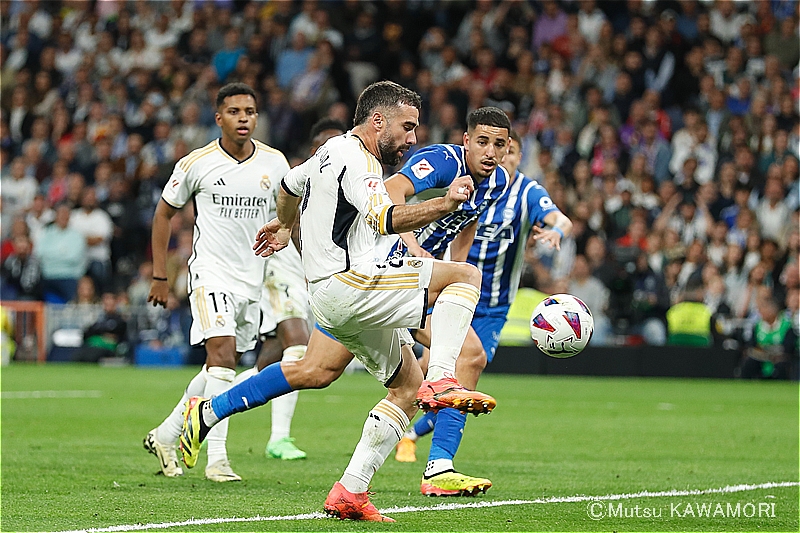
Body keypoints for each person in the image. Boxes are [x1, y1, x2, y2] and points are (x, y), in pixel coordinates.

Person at [180, 81, 496, 522]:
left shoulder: (328, 152)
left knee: (400, 387)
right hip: (352, 284)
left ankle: (350, 491)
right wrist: (443, 204)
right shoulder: (357, 158)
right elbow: (385, 217)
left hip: (334, 295)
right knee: (463, 277)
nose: (412, 139)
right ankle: (442, 379)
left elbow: (289, 187)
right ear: (378, 120)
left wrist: (287, 227)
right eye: (407, 128)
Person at [394, 130, 573, 497]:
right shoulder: (464, 177)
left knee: (445, 373)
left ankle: (419, 448)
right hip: (440, 287)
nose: (498, 157)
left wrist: (555, 232)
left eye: (505, 150)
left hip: (489, 306)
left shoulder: (523, 191)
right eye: (487, 147)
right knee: (321, 369)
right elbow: (402, 197)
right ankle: (432, 460)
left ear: (515, 154)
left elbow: (560, 219)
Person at [143, 82, 291, 483]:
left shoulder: (276, 164)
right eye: (235, 111)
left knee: (218, 369)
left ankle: (166, 434)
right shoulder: (197, 163)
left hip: (253, 280)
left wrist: (287, 232)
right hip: (211, 273)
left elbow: (292, 211)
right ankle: (217, 459)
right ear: (218, 117)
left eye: (250, 112)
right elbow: (162, 215)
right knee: (223, 358)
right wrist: (160, 275)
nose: (244, 118)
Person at [236, 118, 347, 461]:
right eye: (329, 146)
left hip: (311, 277)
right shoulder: (299, 177)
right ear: (316, 150)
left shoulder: (348, 181)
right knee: (298, 346)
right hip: (282, 271)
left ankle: (205, 404)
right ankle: (279, 439)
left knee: (268, 361)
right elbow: (289, 225)